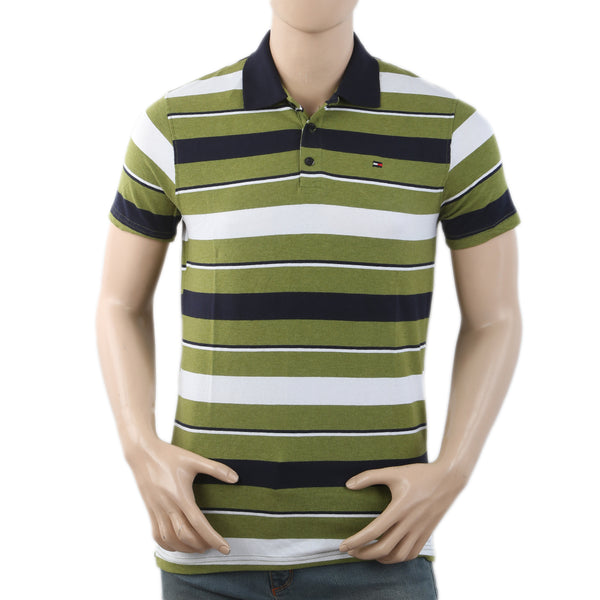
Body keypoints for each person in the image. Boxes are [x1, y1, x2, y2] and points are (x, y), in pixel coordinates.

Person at [95, 1, 522, 598]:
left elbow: (495, 319)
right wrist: (140, 450)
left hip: (381, 555)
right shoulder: (173, 126)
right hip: (207, 550)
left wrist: (454, 470)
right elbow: (119, 304)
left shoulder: (451, 131)